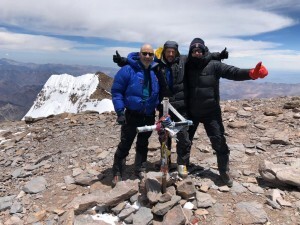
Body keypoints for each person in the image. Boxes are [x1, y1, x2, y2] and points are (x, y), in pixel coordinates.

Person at [113, 41, 228, 178]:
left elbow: (199, 58)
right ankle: (158, 164)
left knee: (181, 139)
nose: (171, 54)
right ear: (163, 52)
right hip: (156, 109)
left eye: (173, 51)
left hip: (176, 108)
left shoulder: (181, 61)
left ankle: (179, 165)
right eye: (168, 51)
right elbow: (136, 64)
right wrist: (123, 61)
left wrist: (217, 55)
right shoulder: (156, 65)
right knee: (160, 138)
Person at [185, 38, 268, 187]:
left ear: (204, 51)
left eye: (199, 50)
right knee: (185, 141)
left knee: (219, 142)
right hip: (191, 112)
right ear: (190, 52)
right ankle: (183, 167)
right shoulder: (186, 65)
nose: (197, 53)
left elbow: (233, 72)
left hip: (211, 112)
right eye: (194, 50)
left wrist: (251, 73)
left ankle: (224, 171)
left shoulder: (214, 65)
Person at [111, 43, 160, 186]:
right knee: (125, 143)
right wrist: (120, 111)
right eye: (144, 53)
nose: (147, 56)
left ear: (153, 56)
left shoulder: (154, 71)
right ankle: (117, 170)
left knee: (143, 143)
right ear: (139, 54)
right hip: (131, 115)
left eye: (150, 54)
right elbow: (117, 91)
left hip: (148, 115)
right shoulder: (127, 70)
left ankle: (140, 167)